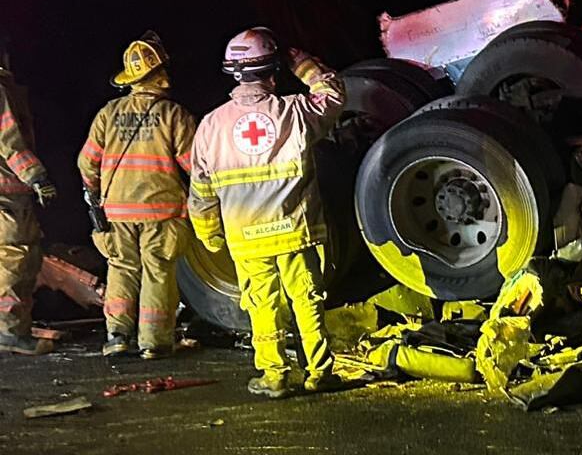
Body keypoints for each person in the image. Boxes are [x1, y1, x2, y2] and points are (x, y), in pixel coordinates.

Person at [188, 28, 345, 398]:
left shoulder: (211, 126)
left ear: (232, 72)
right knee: (307, 301)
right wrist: (303, 64)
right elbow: (334, 95)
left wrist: (209, 234)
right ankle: (320, 373)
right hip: (294, 232)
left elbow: (201, 191)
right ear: (272, 70)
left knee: (263, 306)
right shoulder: (295, 112)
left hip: (246, 239)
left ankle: (274, 376)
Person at [78, 32, 196, 359]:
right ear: (161, 74)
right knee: (157, 270)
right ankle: (154, 342)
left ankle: (117, 337)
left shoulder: (108, 114)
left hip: (115, 213)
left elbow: (87, 162)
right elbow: (196, 167)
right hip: (161, 212)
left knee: (120, 269)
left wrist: (95, 195)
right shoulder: (175, 115)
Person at [0, 35, 57, 355]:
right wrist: (37, 177)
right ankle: (9, 332)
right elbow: (10, 140)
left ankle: (12, 330)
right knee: (14, 262)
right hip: (7, 195)